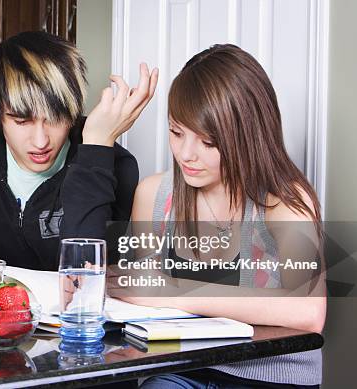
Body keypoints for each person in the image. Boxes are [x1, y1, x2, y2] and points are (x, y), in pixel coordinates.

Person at [108, 44, 326, 388]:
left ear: (247, 136)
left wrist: (171, 290)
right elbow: (141, 298)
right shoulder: (153, 195)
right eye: (176, 132)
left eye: (208, 142)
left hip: (268, 375)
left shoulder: (285, 200)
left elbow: (309, 312)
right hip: (180, 369)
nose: (186, 154)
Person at [0, 31, 158, 285]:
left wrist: (97, 150)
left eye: (55, 118)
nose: (40, 141)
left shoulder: (112, 163)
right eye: (21, 120)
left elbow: (85, 281)